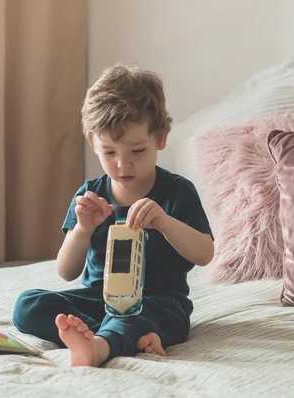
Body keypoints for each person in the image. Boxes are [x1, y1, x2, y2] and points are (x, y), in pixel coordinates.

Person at [12, 63, 215, 367]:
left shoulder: (177, 192)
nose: (123, 165)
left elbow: (205, 253)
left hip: (159, 304)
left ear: (160, 138)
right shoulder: (90, 195)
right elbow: (66, 271)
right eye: (109, 153)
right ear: (93, 142)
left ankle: (100, 346)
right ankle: (111, 336)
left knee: (140, 315)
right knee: (28, 305)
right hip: (100, 301)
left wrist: (164, 222)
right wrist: (82, 229)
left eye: (137, 151)